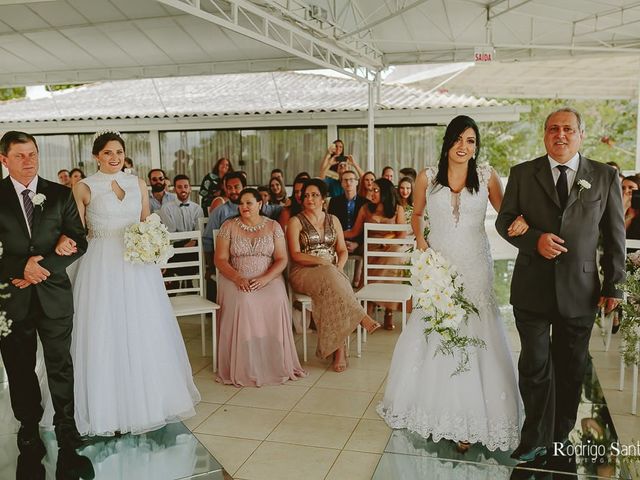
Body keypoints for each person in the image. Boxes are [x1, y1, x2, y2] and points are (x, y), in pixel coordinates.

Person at [378, 115, 524, 453]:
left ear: (476, 147)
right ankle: (437, 411)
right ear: (448, 142)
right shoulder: (427, 178)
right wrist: (422, 245)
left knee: (477, 332)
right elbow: (416, 215)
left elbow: (506, 216)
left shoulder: (487, 177)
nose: (464, 146)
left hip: (475, 267)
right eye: (458, 139)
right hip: (439, 265)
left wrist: (525, 224)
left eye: (470, 141)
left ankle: (473, 418)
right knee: (438, 331)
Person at [496, 107, 625, 462]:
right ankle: (534, 435)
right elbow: (504, 221)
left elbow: (615, 237)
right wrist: (534, 240)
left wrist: (615, 285)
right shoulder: (523, 174)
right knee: (534, 364)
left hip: (580, 290)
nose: (561, 135)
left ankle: (559, 433)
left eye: (568, 129)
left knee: (570, 367)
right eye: (553, 129)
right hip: (531, 288)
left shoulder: (604, 176)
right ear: (545, 135)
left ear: (581, 135)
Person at [58, 130, 200, 436]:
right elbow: (75, 230)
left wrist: (154, 248)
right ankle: (105, 407)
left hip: (137, 264)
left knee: (142, 327)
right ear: (96, 156)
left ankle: (147, 403)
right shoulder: (83, 187)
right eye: (108, 153)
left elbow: (146, 220)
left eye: (119, 152)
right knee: (103, 329)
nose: (114, 158)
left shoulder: (137, 183)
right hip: (101, 263)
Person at [0, 131, 88, 459]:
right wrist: (20, 268)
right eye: (20, 155)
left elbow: (79, 240)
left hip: (54, 297)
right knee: (19, 366)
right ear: (4, 160)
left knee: (60, 364)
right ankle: (28, 425)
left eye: (33, 154)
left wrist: (42, 266)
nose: (28, 161)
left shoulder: (60, 194)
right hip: (11, 298)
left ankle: (66, 425)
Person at [286, 179, 380, 373]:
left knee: (331, 292)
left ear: (323, 199)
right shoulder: (296, 221)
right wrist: (323, 263)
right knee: (331, 276)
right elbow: (295, 254)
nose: (309, 198)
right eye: (306, 195)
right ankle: (361, 317)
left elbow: (343, 250)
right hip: (303, 272)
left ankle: (339, 351)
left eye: (314, 195)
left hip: (332, 273)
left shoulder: (333, 220)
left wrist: (338, 267)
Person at [215, 188, 306, 386]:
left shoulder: (273, 226)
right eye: (241, 203)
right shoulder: (228, 226)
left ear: (260, 204)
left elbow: (282, 259)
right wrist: (238, 278)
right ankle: (245, 362)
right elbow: (220, 259)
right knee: (245, 299)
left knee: (277, 297)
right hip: (234, 277)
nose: (244, 207)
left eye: (249, 203)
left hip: (268, 276)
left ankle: (273, 359)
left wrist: (266, 279)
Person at [344, 178, 406, 330]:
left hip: (391, 247)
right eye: (371, 190)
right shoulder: (366, 209)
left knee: (395, 254)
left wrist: (388, 238)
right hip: (371, 247)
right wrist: (337, 232)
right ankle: (370, 305)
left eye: (376, 190)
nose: (371, 193)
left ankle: (386, 310)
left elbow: (402, 235)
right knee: (387, 256)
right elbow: (354, 232)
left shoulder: (397, 209)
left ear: (385, 193)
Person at [202, 172, 283, 255]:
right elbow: (207, 241)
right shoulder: (220, 211)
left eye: (236, 187)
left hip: (261, 257)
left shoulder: (257, 207)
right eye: (229, 188)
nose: (233, 191)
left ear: (244, 187)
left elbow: (280, 209)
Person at [328, 170, 367, 254]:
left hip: (360, 243)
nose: (348, 183)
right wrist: (341, 242)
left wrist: (357, 243)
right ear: (341, 183)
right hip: (339, 241)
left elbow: (366, 227)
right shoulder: (334, 202)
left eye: (351, 180)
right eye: (345, 180)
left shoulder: (365, 203)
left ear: (357, 182)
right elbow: (331, 225)